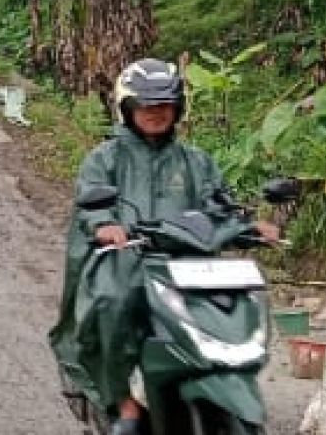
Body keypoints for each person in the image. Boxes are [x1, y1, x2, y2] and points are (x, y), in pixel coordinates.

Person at [48, 58, 280, 435]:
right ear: (128, 109)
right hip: (128, 263)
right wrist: (105, 224)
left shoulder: (196, 161)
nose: (156, 113)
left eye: (165, 105)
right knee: (113, 301)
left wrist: (248, 224)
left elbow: (218, 203)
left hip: (188, 268)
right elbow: (91, 204)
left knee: (235, 304)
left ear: (178, 108)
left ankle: (218, 376)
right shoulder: (105, 159)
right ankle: (124, 400)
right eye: (147, 106)